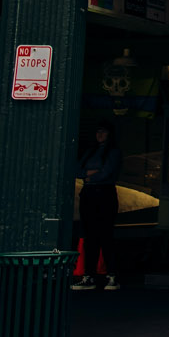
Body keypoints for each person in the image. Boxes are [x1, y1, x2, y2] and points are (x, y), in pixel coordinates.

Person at [73, 123, 121, 291]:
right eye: (98, 131)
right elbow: (77, 170)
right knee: (90, 237)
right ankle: (89, 275)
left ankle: (111, 275)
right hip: (89, 194)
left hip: (104, 194)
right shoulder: (90, 151)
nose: (100, 134)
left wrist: (89, 175)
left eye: (103, 131)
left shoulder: (113, 152)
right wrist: (91, 173)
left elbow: (107, 172)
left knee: (105, 235)